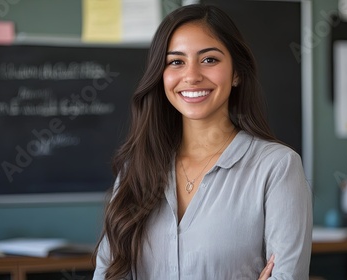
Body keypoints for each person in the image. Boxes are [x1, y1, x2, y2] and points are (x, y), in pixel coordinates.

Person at [93, 4, 312, 280]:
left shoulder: (277, 167)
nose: (192, 75)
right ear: (161, 76)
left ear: (237, 73)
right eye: (176, 61)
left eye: (209, 59)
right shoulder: (135, 167)